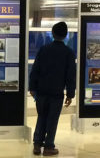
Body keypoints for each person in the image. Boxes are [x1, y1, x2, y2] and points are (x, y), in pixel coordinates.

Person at [29, 22, 76, 156]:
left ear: (53, 33)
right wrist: (70, 94)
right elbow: (70, 76)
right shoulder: (68, 53)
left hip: (42, 91)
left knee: (41, 116)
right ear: (66, 35)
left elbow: (35, 70)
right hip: (56, 93)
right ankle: (49, 147)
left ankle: (37, 145)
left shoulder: (44, 49)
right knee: (52, 119)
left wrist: (32, 87)